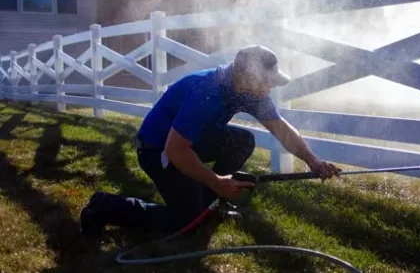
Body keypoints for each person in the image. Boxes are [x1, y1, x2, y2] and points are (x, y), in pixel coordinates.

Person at [79, 44, 341, 237]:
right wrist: (217, 181)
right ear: (248, 75)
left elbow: (281, 128)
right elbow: (175, 149)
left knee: (241, 140)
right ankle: (105, 205)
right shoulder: (208, 93)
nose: (271, 87)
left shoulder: (249, 92)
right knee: (184, 222)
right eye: (267, 81)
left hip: (188, 143)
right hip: (157, 150)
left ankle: (209, 202)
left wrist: (313, 161)